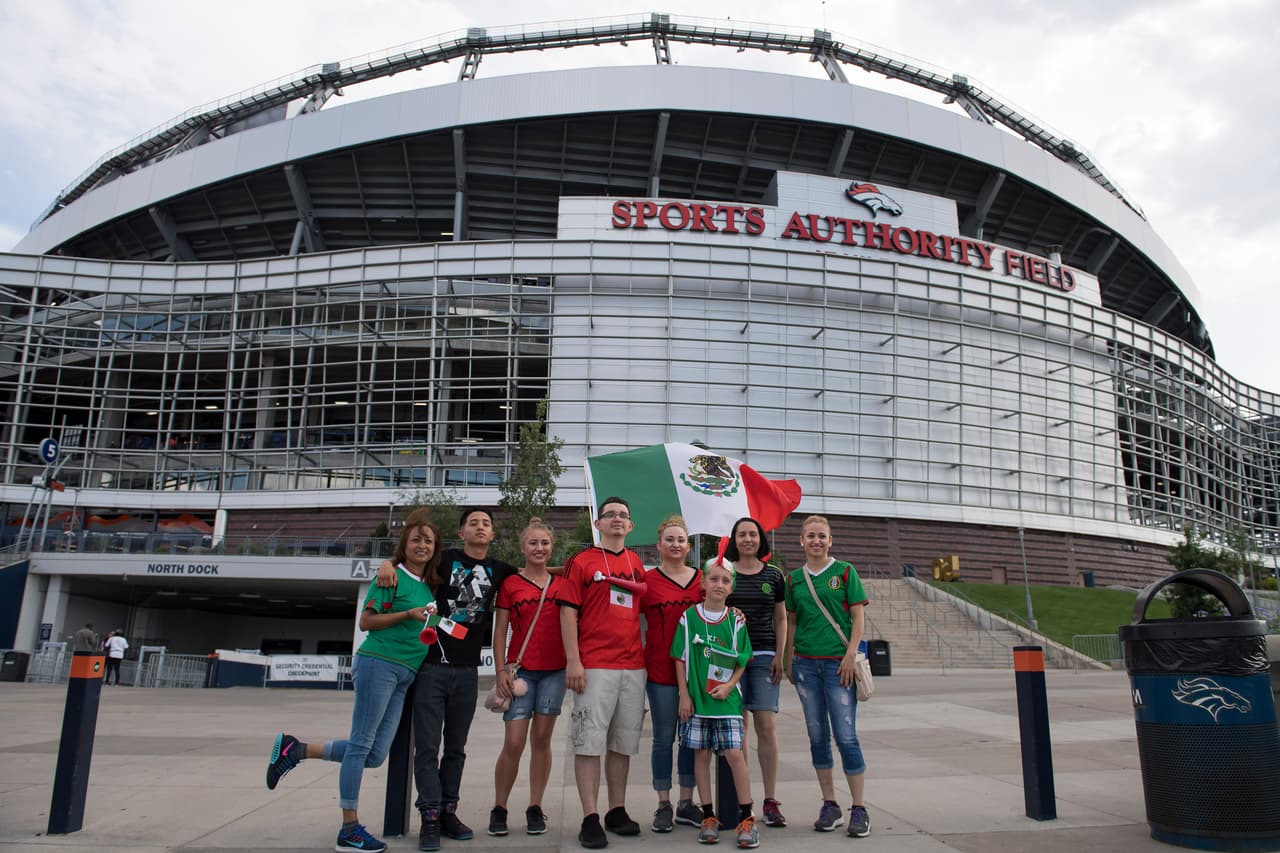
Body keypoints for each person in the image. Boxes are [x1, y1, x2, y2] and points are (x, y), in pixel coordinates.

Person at [265, 510, 441, 853]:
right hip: (379, 664)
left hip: (405, 674)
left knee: (375, 754)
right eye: (416, 539)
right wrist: (405, 612)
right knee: (361, 746)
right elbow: (367, 622)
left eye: (429, 541)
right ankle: (348, 829)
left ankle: (296, 749)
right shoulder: (392, 577)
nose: (422, 545)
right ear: (404, 544)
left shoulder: (425, 585)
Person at [376, 507, 516, 852]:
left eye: (486, 523)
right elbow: (408, 564)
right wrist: (385, 565)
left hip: (467, 673)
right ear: (461, 531)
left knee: (456, 749)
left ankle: (449, 811)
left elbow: (538, 574)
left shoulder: (499, 570)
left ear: (492, 534)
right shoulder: (444, 560)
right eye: (473, 523)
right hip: (431, 669)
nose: (480, 527)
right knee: (426, 747)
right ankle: (430, 816)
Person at [558, 496, 648, 849]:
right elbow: (567, 613)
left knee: (622, 744)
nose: (616, 520)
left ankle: (616, 810)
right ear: (597, 524)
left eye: (622, 516)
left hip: (632, 666)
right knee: (589, 743)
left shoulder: (637, 562)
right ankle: (590, 816)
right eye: (609, 515)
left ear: (630, 525)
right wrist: (573, 660)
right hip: (594, 665)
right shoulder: (581, 561)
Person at [781, 515, 871, 838]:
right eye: (810, 536)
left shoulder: (845, 572)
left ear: (830, 540)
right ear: (801, 541)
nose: (816, 541)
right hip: (806, 665)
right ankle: (829, 803)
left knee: (845, 736)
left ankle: (858, 808)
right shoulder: (793, 580)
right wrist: (787, 659)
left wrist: (850, 654)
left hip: (839, 665)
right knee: (817, 735)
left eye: (822, 536)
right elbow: (790, 622)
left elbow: (858, 617)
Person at [671, 557, 758, 848]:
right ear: (703, 583)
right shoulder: (689, 617)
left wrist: (730, 686)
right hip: (698, 702)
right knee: (701, 755)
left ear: (731, 586)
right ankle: (708, 815)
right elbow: (680, 658)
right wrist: (684, 694)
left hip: (727, 701)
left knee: (735, 754)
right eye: (714, 579)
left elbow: (742, 661)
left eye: (725, 580)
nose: (719, 585)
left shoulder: (735, 620)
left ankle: (747, 816)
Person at [488, 517, 566, 837]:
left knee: (542, 740)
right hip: (521, 672)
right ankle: (500, 806)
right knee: (514, 742)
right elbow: (500, 631)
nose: (539, 548)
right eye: (533, 543)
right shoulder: (510, 585)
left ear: (551, 548)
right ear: (523, 547)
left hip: (555, 671)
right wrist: (501, 669)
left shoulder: (562, 584)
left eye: (544, 543)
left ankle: (535, 806)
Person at [724, 517, 788, 828]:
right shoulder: (726, 572)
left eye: (752, 534)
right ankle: (743, 800)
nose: (747, 539)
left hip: (764, 655)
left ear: (760, 539)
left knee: (766, 724)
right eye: (741, 534)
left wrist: (780, 655)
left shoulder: (774, 575)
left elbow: (781, 618)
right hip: (732, 658)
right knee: (740, 729)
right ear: (734, 539)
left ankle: (771, 799)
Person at [640, 515, 703, 832]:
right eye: (670, 539)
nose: (676, 544)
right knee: (664, 739)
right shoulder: (647, 582)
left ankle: (686, 803)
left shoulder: (703, 580)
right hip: (661, 672)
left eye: (681, 540)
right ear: (659, 545)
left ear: (688, 546)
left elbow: (717, 614)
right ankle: (663, 803)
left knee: (691, 740)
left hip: (697, 675)